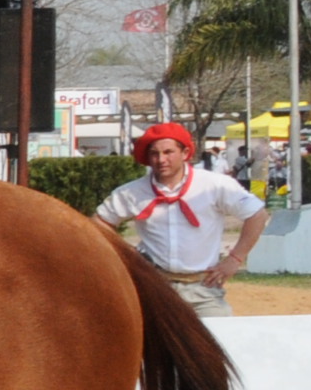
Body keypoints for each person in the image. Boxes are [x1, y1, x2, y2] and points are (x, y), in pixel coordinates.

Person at [96, 121, 266, 317]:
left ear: (185, 153)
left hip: (203, 289)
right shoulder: (132, 192)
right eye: (154, 153)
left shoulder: (215, 185)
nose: (161, 159)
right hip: (154, 288)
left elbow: (257, 215)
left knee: (219, 342)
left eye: (168, 152)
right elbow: (99, 223)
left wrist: (235, 259)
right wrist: (125, 253)